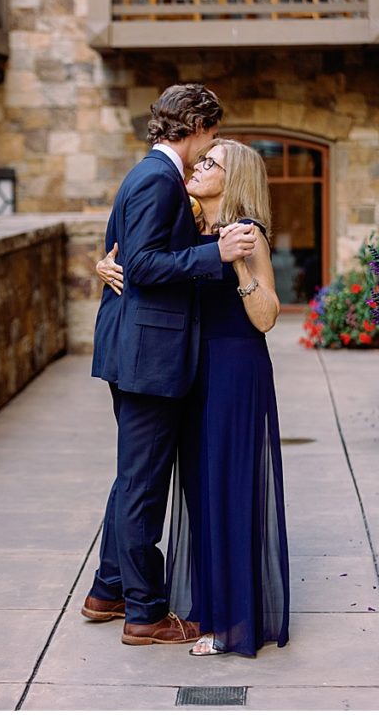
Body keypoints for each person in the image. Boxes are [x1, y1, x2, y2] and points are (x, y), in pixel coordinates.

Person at [97, 139, 289, 657]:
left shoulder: (248, 232)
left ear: (234, 178)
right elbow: (146, 262)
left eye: (210, 164)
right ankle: (204, 607)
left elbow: (268, 317)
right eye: (200, 160)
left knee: (226, 490)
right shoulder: (186, 223)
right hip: (186, 371)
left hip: (232, 370)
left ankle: (232, 623)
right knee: (197, 492)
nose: (197, 167)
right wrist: (106, 266)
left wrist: (242, 267)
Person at [83, 84, 258, 646]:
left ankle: (108, 589)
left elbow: (124, 253)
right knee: (142, 485)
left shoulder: (148, 175)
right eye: (209, 135)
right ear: (197, 125)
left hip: (138, 349)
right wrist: (217, 255)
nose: (209, 148)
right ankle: (145, 613)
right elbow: (145, 263)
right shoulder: (158, 179)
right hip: (148, 356)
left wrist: (109, 263)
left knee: (133, 476)